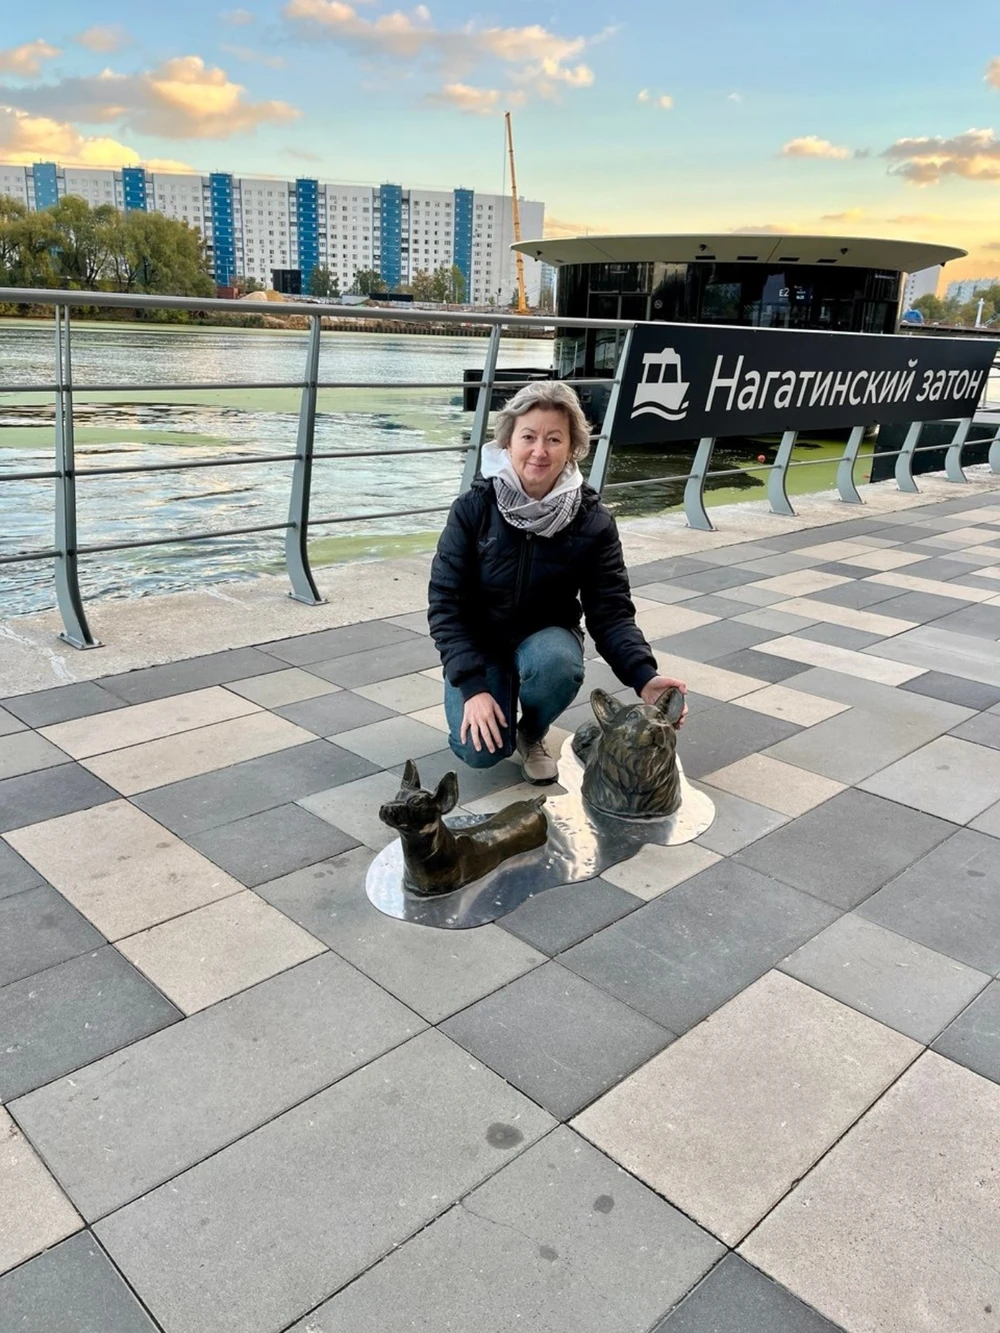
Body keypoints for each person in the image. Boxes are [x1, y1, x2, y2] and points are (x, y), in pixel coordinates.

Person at [427, 381, 686, 784]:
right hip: (481, 643)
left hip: (546, 641)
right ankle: (487, 697)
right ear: (508, 442)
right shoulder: (473, 509)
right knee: (478, 753)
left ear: (572, 448)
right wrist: (472, 687)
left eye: (554, 439)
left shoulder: (592, 519)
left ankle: (532, 731)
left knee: (558, 663)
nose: (539, 451)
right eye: (528, 437)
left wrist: (644, 677)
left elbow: (611, 611)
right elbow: (446, 604)